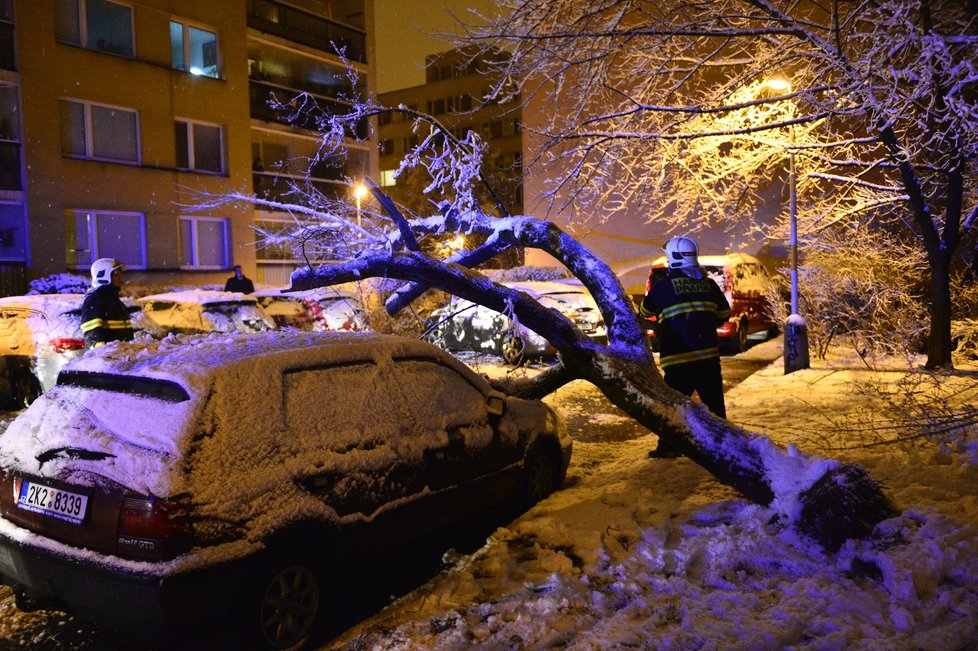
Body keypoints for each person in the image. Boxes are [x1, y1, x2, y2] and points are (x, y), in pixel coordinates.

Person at [640, 236, 731, 457]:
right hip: (708, 359)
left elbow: (644, 312)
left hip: (677, 361)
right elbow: (724, 314)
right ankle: (725, 450)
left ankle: (669, 448)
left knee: (673, 409)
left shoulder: (663, 287)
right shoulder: (708, 285)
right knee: (715, 409)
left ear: (673, 258)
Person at [81, 258, 134, 350]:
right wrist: (102, 356)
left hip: (121, 357)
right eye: (116, 274)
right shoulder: (95, 299)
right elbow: (92, 334)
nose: (120, 277)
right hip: (109, 359)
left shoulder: (114, 300)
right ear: (104, 276)